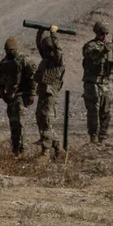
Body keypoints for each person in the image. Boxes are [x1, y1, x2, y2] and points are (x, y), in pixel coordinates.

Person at [81, 21, 113, 143]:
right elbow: (92, 61)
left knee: (106, 112)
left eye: (106, 34)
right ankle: (93, 138)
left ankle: (102, 137)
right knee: (93, 113)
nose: (104, 36)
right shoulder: (90, 46)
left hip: (106, 84)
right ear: (97, 33)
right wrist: (103, 52)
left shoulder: (109, 46)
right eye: (102, 33)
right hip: (93, 84)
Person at [0, 36, 38, 155]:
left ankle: (23, 148)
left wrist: (32, 93)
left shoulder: (24, 60)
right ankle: (15, 148)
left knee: (19, 121)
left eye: (10, 50)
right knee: (13, 122)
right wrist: (2, 94)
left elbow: (34, 77)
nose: (8, 53)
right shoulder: (4, 63)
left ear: (15, 49)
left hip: (22, 94)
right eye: (7, 51)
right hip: (10, 96)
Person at [34, 26, 65, 159]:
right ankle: (59, 149)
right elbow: (39, 44)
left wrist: (53, 34)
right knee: (41, 121)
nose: (45, 51)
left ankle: (46, 152)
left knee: (47, 122)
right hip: (42, 94)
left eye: (47, 49)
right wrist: (40, 32)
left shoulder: (57, 61)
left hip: (51, 96)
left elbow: (58, 50)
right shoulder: (46, 59)